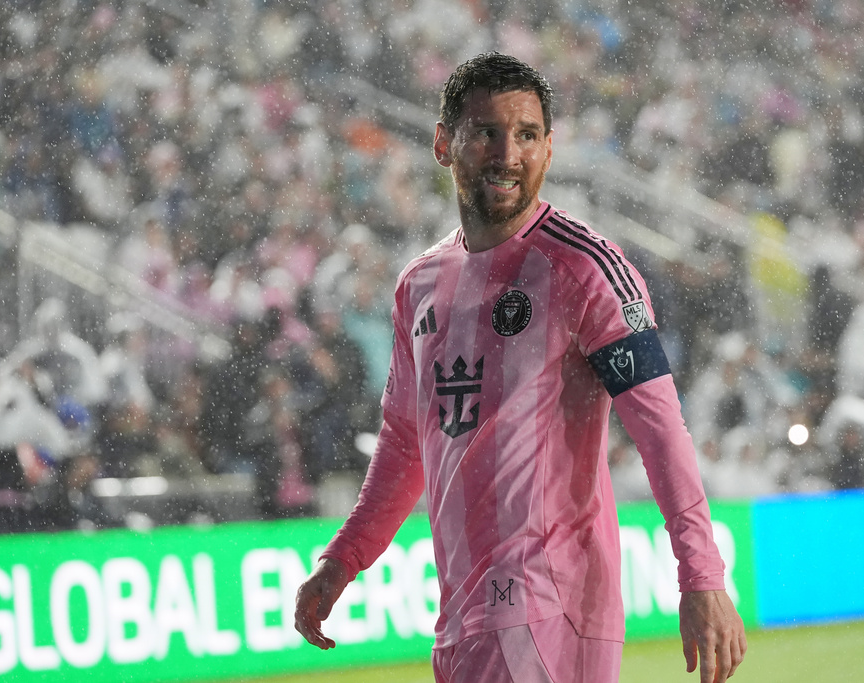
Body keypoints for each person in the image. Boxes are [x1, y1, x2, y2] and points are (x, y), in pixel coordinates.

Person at [294, 53, 746, 683]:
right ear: (443, 144)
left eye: (528, 135)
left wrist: (701, 576)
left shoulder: (586, 269)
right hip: (463, 613)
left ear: (550, 149)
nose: (509, 153)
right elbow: (405, 443)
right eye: (486, 132)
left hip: (543, 605)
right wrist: (344, 559)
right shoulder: (418, 286)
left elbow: (661, 429)